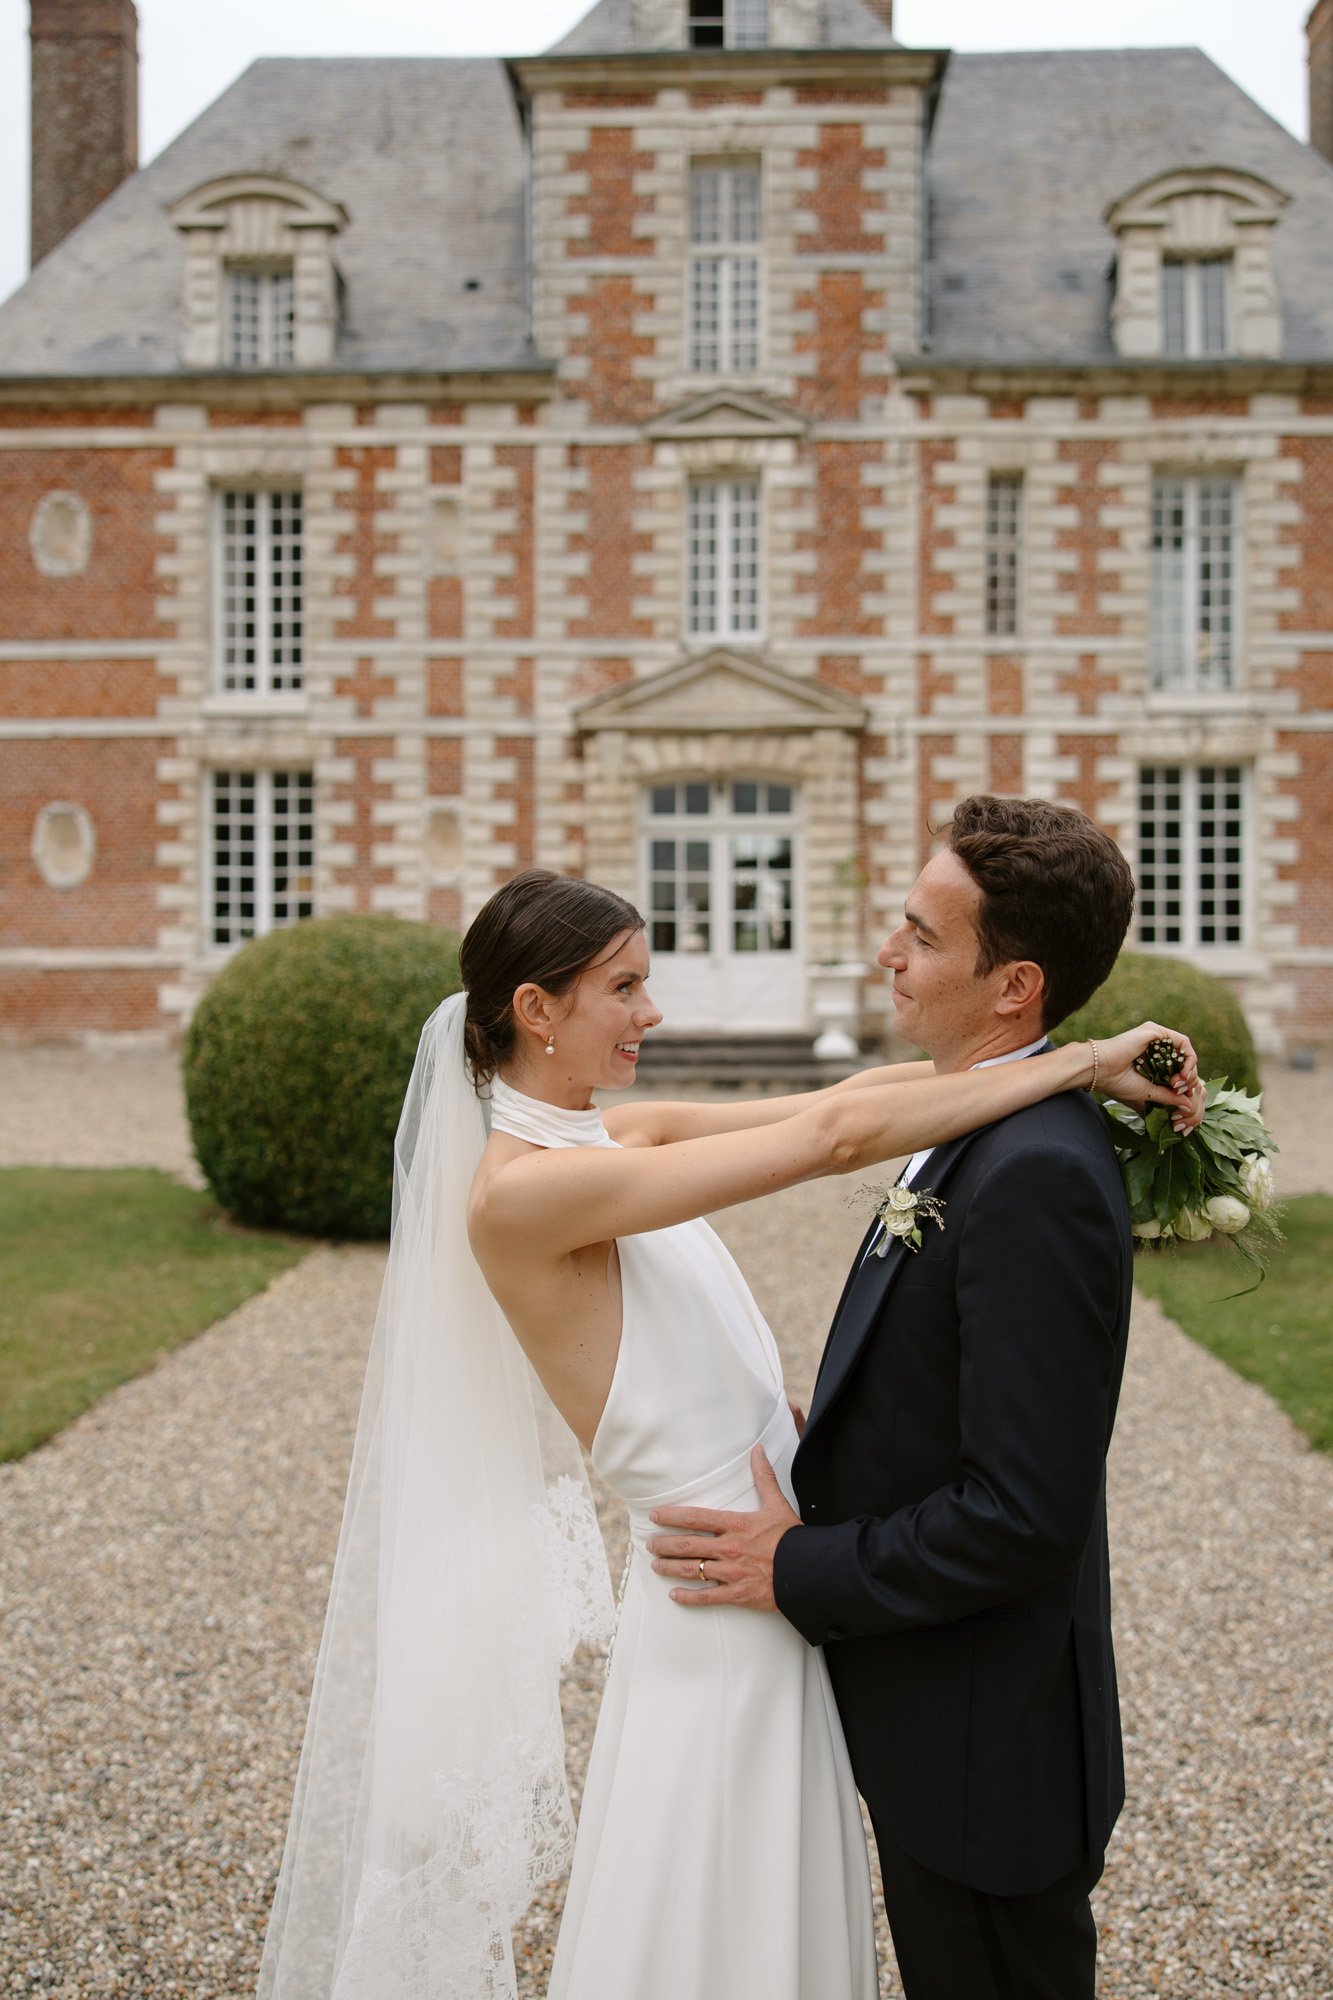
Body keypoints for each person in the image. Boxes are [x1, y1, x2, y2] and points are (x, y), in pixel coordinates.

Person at [257, 860, 1201, 2000]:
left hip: (773, 1582)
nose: (652, 1011)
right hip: (722, 1599)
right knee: (717, 1926)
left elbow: (839, 1102)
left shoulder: (618, 1134)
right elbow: (835, 1137)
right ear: (537, 1008)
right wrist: (1091, 1058)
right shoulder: (521, 1196)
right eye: (624, 986)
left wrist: (1043, 1076)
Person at [647, 795, 1175, 2000]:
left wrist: (794, 1566)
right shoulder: (974, 1118)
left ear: (1013, 987)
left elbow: (1020, 1513)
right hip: (942, 1724)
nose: (889, 952)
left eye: (921, 935)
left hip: (987, 1756)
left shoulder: (1035, 1170)